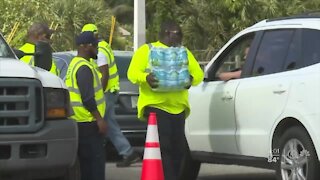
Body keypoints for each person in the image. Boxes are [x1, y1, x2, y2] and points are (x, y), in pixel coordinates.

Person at [127, 19, 204, 180]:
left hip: (178, 107)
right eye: (178, 33)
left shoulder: (184, 52)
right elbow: (132, 73)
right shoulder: (146, 50)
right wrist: (145, 77)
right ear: (167, 33)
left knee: (179, 149)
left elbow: (199, 74)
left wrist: (190, 79)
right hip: (156, 107)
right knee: (165, 148)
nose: (181, 37)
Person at [81, 24, 141, 167]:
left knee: (100, 123)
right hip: (111, 91)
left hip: (107, 92)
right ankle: (127, 152)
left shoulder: (100, 51)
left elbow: (104, 74)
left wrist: (99, 94)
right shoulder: (104, 46)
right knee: (109, 124)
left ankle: (119, 152)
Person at [64, 31, 107, 180]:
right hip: (88, 123)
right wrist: (99, 119)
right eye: (94, 45)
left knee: (85, 167)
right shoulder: (84, 67)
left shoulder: (75, 64)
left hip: (80, 122)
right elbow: (88, 98)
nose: (97, 48)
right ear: (86, 46)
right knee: (94, 166)